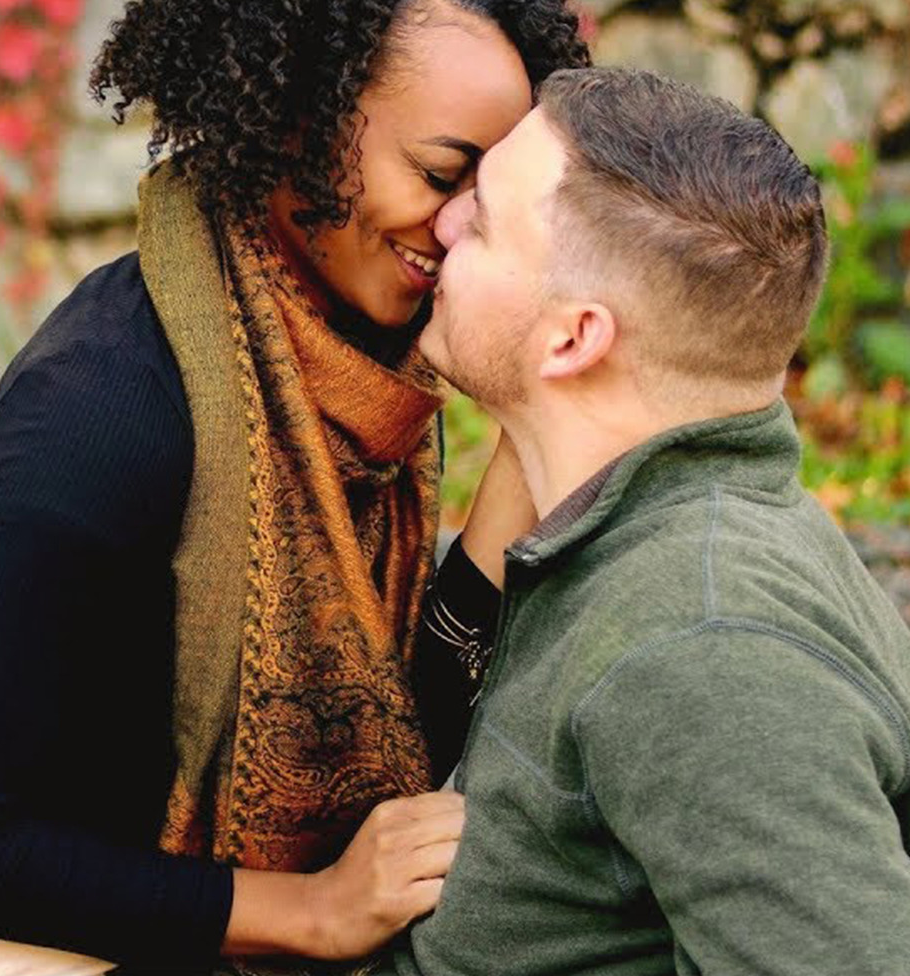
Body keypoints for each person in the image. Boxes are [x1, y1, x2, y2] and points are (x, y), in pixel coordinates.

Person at [0, 0, 587, 973]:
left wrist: (531, 438)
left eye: (483, 195)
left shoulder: (356, 374)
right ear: (300, 117)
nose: (457, 229)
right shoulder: (107, 412)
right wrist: (309, 911)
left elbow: (388, 737)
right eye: (443, 173)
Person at [386, 66, 910, 975]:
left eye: (486, 219)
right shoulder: (650, 529)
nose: (444, 222)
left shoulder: (705, 646)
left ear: (574, 338)